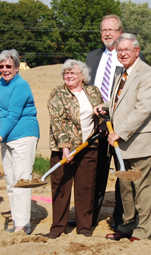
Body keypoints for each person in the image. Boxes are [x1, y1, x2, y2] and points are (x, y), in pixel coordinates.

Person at [97, 33, 151, 242]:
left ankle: (143, 232)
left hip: (141, 143)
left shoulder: (147, 74)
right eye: (119, 51)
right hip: (121, 146)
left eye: (127, 50)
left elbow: (142, 108)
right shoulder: (121, 73)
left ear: (137, 50)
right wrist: (105, 106)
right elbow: (121, 101)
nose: (122, 54)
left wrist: (120, 132)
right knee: (126, 189)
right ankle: (127, 226)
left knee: (143, 190)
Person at [85, 14, 145, 229]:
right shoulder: (92, 57)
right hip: (95, 125)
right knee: (94, 173)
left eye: (111, 30)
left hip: (121, 125)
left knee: (123, 173)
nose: (107, 34)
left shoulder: (131, 59)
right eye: (103, 30)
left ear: (120, 32)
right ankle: (88, 219)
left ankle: (122, 220)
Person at [47, 60, 104, 238]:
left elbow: (101, 111)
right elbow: (57, 121)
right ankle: (58, 227)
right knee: (61, 187)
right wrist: (65, 147)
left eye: (73, 73)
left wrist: (101, 124)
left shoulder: (92, 91)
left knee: (86, 187)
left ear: (82, 76)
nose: (69, 76)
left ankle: (84, 226)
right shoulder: (58, 93)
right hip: (63, 149)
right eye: (66, 73)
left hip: (88, 147)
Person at [0, 50, 40, 234]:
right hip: (7, 136)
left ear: (17, 68)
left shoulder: (21, 86)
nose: (4, 69)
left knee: (21, 181)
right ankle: (17, 221)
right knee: (10, 182)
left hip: (24, 135)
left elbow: (15, 114)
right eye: (1, 66)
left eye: (8, 66)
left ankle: (23, 225)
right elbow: (3, 111)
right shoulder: (2, 83)